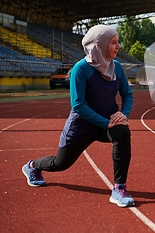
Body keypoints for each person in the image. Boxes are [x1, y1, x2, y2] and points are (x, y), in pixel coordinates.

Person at [22, 25, 135, 207]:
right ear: (100, 45)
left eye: (117, 42)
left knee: (122, 131)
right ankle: (32, 166)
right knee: (60, 163)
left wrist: (123, 115)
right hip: (81, 127)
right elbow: (78, 105)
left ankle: (119, 188)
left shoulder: (118, 68)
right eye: (114, 42)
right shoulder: (80, 69)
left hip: (108, 124)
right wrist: (106, 123)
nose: (118, 46)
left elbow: (127, 94)